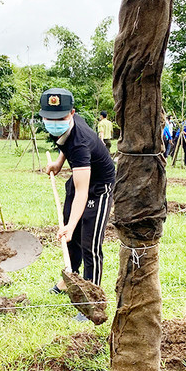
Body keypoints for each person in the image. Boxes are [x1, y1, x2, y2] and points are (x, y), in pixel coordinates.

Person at [42, 88, 115, 316]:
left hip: (97, 188)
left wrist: (71, 226)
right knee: (71, 241)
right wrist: (58, 163)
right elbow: (66, 144)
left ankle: (91, 299)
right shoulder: (65, 127)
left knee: (89, 243)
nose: (55, 123)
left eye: (60, 118)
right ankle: (69, 279)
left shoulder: (81, 143)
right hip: (78, 179)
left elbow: (83, 192)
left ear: (72, 113)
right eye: (50, 118)